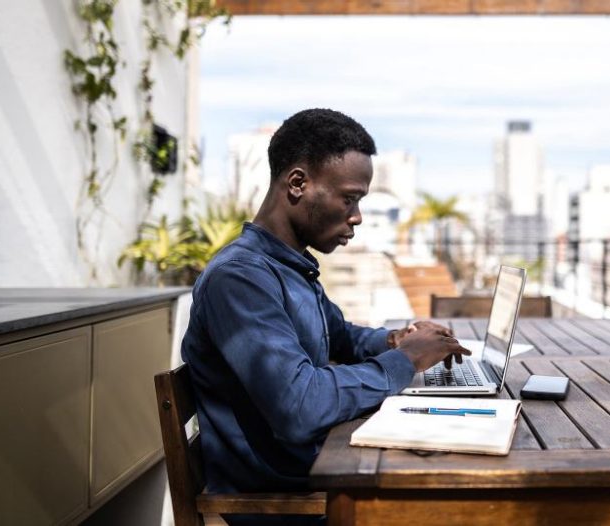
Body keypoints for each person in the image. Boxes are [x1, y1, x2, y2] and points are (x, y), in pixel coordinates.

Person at [180, 108, 470, 524]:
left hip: (316, 466)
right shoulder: (240, 278)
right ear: (298, 184)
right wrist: (406, 361)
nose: (357, 217)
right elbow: (300, 406)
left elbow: (340, 337)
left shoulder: (290, 265)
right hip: (286, 496)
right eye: (349, 198)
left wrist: (398, 340)